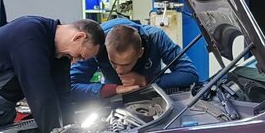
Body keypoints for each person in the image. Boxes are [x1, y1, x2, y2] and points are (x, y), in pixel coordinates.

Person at [70, 17, 198, 101]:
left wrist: (146, 80)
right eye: (113, 63)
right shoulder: (96, 45)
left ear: (140, 53)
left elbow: (189, 73)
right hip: (114, 100)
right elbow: (71, 86)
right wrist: (114, 89)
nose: (119, 70)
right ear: (106, 49)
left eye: (126, 64)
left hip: (153, 98)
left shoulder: (156, 38)